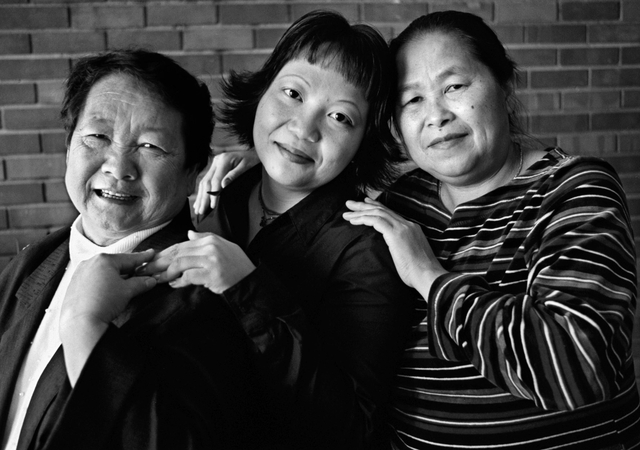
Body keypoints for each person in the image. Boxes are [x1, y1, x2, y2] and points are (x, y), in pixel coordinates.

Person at [342, 10, 640, 450]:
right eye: (412, 100)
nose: (436, 115)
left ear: (504, 85)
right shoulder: (400, 205)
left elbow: (576, 369)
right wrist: (262, 176)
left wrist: (429, 278)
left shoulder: (572, 189)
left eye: (454, 87)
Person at [141, 10, 416, 449]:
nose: (304, 128)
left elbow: (352, 428)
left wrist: (247, 285)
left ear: (365, 140)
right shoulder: (219, 192)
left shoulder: (365, 249)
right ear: (262, 90)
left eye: (341, 117)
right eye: (292, 93)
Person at [0, 49, 267, 450]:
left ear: (194, 170)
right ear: (68, 146)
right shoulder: (31, 263)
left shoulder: (208, 299)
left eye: (150, 147)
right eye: (97, 137)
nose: (118, 167)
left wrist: (85, 325)